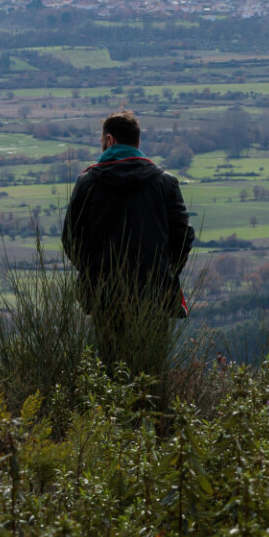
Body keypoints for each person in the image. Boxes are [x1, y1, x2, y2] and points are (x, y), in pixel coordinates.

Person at [61, 111, 192, 365]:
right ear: (137, 142)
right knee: (150, 372)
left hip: (104, 294)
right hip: (153, 294)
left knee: (111, 370)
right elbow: (183, 236)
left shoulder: (87, 183)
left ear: (109, 140)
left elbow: (71, 238)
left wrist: (93, 270)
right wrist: (165, 272)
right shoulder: (165, 183)